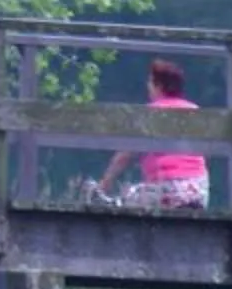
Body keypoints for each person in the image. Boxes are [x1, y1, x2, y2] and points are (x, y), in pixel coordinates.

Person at [89, 58, 211, 209]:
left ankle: (107, 203)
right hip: (198, 192)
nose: (148, 87)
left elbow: (124, 156)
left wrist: (105, 183)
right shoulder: (195, 111)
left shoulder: (149, 114)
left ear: (158, 86)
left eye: (150, 82)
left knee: (127, 198)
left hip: (168, 193)